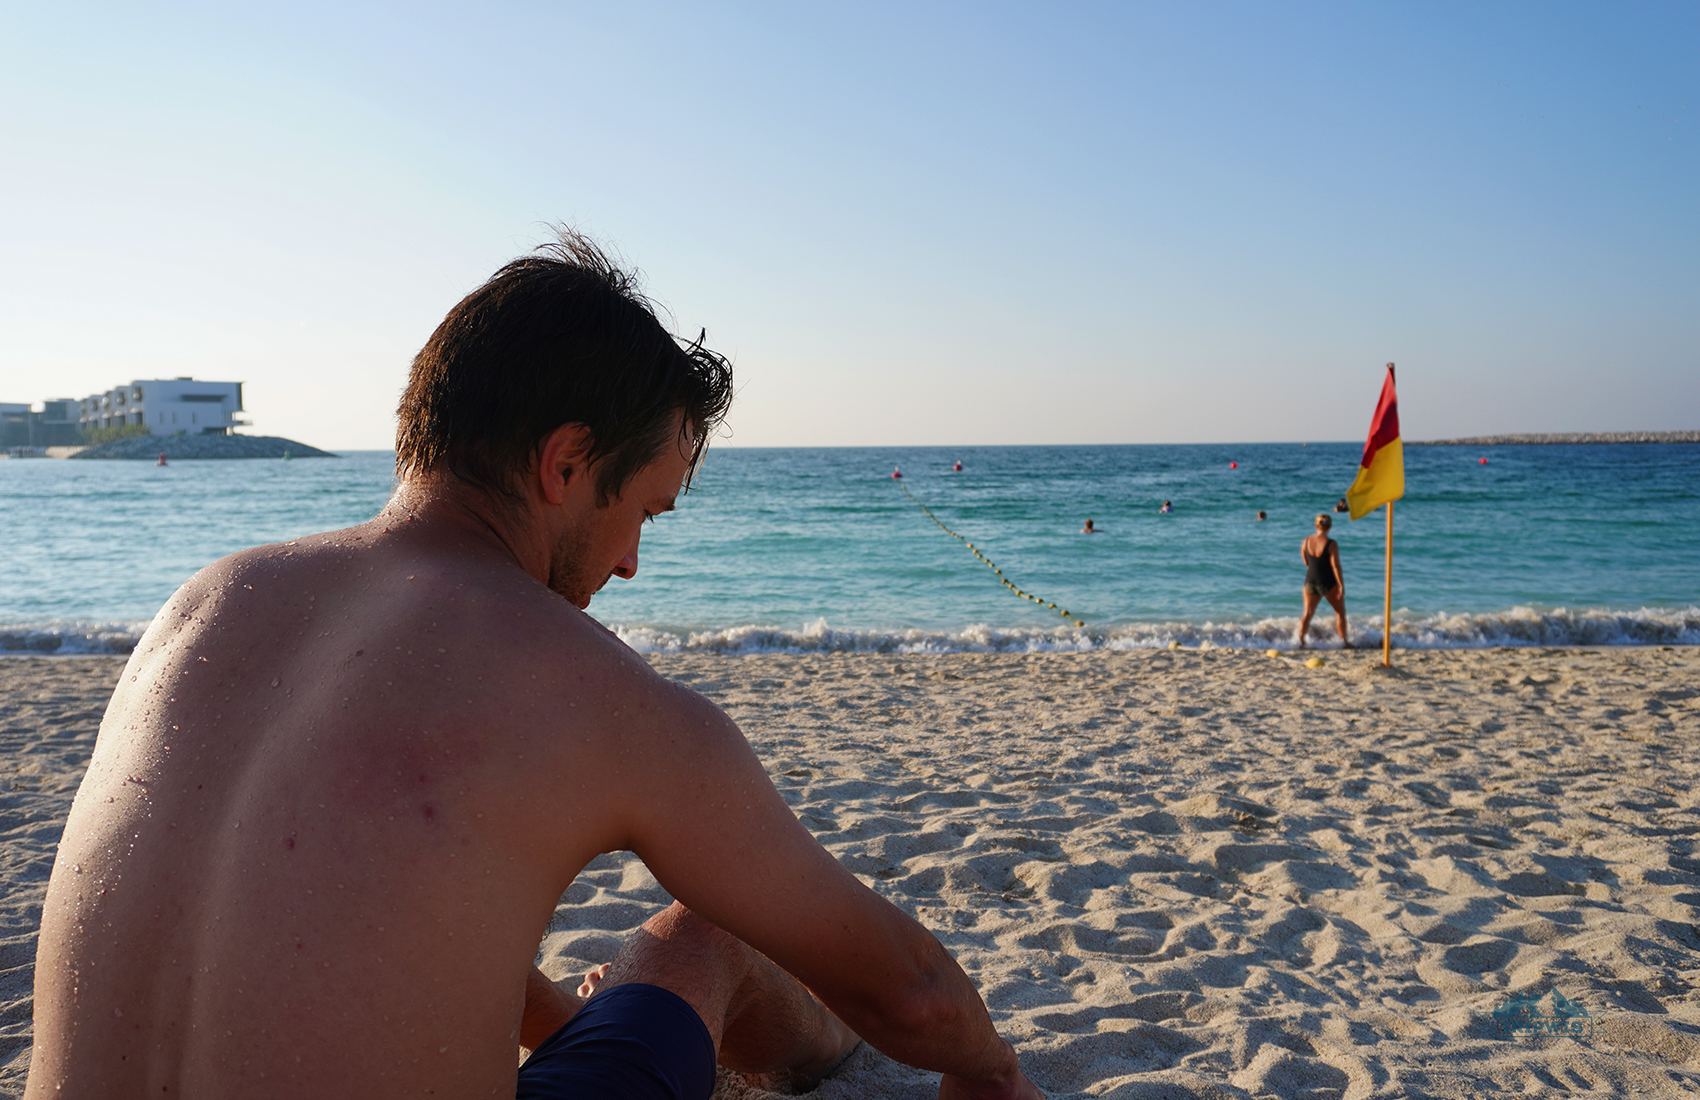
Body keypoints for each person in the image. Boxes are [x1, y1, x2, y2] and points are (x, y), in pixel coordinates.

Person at [25, 234, 1043, 1100]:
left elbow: (356, 905)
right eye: (642, 511)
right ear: (564, 463)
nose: (633, 561)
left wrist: (560, 1023)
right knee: (701, 936)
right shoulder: (594, 693)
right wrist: (990, 1068)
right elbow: (912, 993)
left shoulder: (200, 607)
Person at [1298, 513, 1349, 649]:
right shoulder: (1332, 544)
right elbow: (1335, 566)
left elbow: (1306, 562)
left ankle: (1300, 642)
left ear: (1316, 525)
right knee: (1340, 614)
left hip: (1310, 581)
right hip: (1327, 582)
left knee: (1307, 614)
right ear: (1330, 527)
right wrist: (1340, 585)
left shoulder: (1306, 541)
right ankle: (1344, 642)